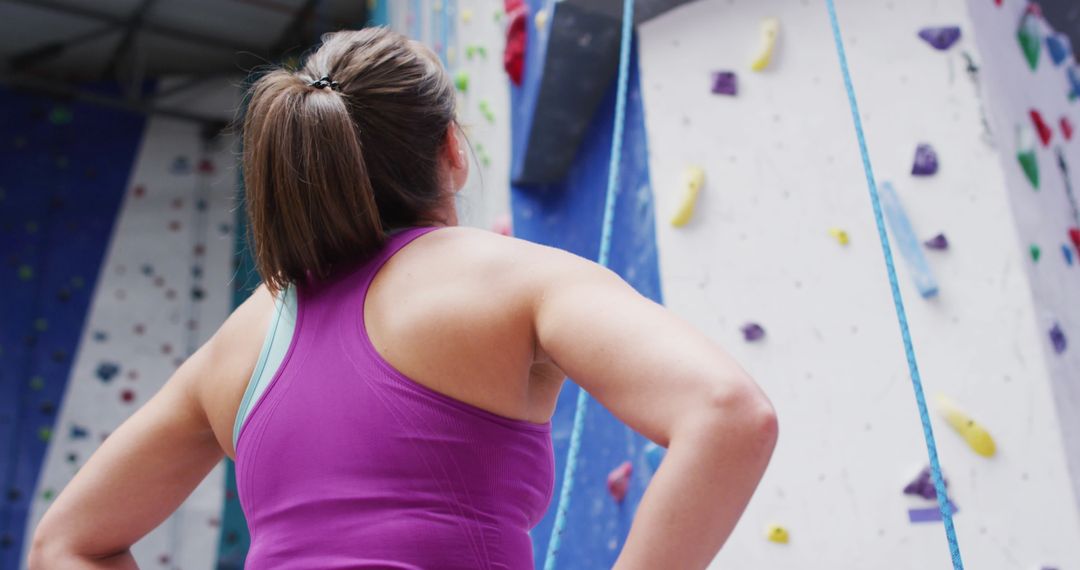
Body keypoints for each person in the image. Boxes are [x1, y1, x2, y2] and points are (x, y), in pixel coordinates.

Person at [29, 27, 777, 570]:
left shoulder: (241, 339)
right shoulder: (511, 278)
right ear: (452, 151)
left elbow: (66, 544)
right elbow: (727, 412)